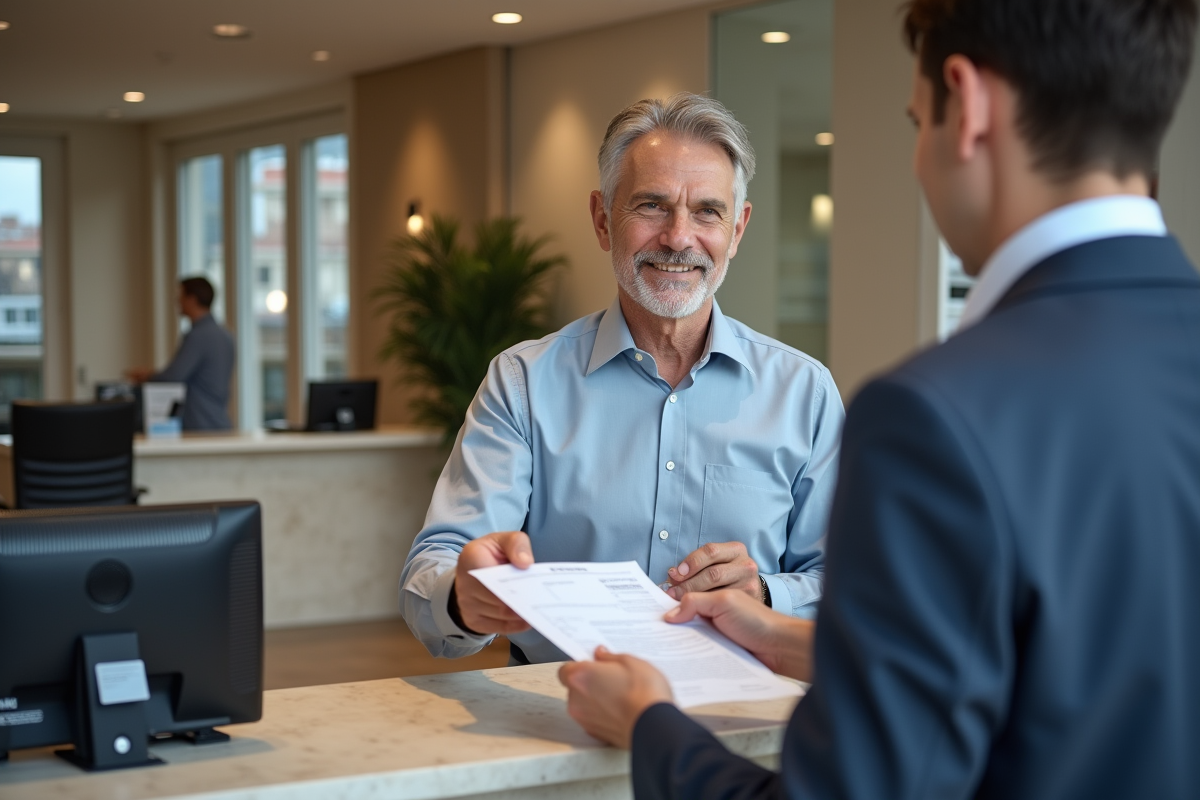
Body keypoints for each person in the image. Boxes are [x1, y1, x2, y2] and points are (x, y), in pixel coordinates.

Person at [558, 0, 1200, 797]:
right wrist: (786, 638)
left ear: (966, 104)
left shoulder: (937, 417)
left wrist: (652, 726)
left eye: (916, 121)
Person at [401, 94, 844, 665]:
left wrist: (764, 595)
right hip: (562, 705)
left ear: (737, 229)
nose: (678, 237)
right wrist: (464, 597)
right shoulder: (523, 384)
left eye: (707, 211)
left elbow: (851, 585)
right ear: (603, 219)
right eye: (652, 206)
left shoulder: (805, 394)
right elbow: (435, 567)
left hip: (741, 708)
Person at [128, 276, 235, 431]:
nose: (177, 301)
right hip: (220, 422)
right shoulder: (226, 335)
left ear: (192, 299)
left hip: (200, 424)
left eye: (181, 296)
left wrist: (147, 376)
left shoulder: (198, 336)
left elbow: (173, 376)